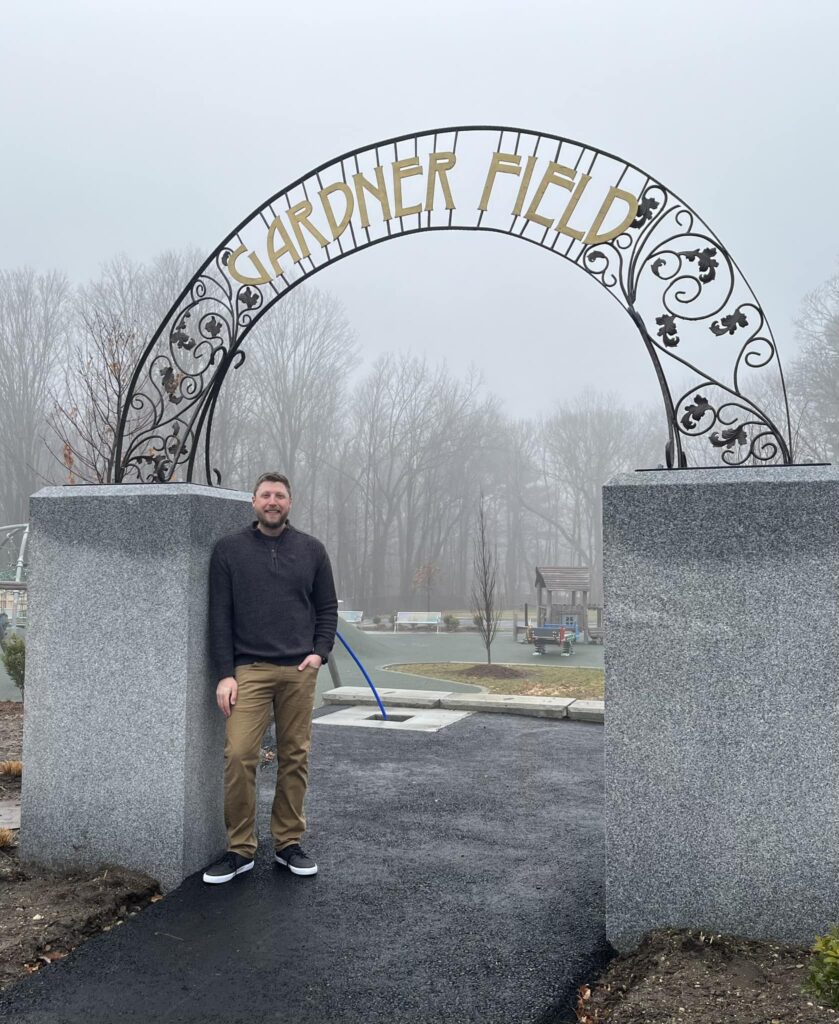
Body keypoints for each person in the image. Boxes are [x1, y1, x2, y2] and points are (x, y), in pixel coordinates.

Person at [202, 471, 338, 884]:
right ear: (254, 502)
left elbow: (327, 607)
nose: (273, 501)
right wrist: (226, 674)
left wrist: (319, 653)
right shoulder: (229, 551)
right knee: (240, 754)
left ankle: (288, 843)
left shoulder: (312, 550)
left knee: (294, 755)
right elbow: (219, 617)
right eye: (266, 495)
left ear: (289, 502)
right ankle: (240, 849)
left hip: (299, 671)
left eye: (280, 495)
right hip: (250, 671)